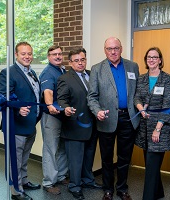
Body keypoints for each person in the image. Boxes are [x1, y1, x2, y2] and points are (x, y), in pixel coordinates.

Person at [87, 37, 140, 200]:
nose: (113, 51)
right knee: (107, 157)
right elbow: (92, 96)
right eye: (109, 49)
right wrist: (97, 111)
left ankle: (122, 188)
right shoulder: (97, 69)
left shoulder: (132, 66)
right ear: (105, 50)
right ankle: (108, 189)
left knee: (125, 157)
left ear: (121, 48)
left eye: (116, 48)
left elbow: (137, 91)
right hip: (107, 118)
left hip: (128, 118)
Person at [0, 41, 41, 200]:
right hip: (16, 125)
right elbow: (5, 97)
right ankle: (17, 191)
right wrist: (17, 109)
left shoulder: (32, 73)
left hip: (31, 124)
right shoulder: (8, 72)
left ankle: (23, 181)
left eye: (29, 53)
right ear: (16, 55)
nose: (27, 56)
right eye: (23, 54)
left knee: (24, 157)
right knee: (15, 160)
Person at [57, 47, 102, 200]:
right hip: (75, 125)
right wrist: (65, 108)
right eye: (76, 60)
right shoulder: (65, 78)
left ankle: (88, 180)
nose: (80, 63)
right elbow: (61, 100)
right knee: (75, 159)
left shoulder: (91, 74)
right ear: (70, 62)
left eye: (82, 59)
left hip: (93, 124)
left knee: (89, 155)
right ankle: (75, 185)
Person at [134, 47, 170, 200]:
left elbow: (168, 105)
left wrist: (158, 129)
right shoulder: (142, 79)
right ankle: (159, 193)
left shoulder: (167, 79)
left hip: (159, 128)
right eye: (149, 57)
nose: (151, 59)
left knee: (151, 167)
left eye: (155, 57)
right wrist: (140, 108)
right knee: (151, 165)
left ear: (160, 60)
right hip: (144, 127)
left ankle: (149, 196)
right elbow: (136, 97)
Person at [39, 45, 68, 195]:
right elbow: (48, 91)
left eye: (59, 54)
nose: (57, 56)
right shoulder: (48, 72)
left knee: (62, 146)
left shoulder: (62, 70)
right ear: (48, 57)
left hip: (63, 115)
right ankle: (49, 182)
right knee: (51, 148)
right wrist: (50, 105)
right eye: (53, 54)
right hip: (51, 116)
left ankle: (61, 175)